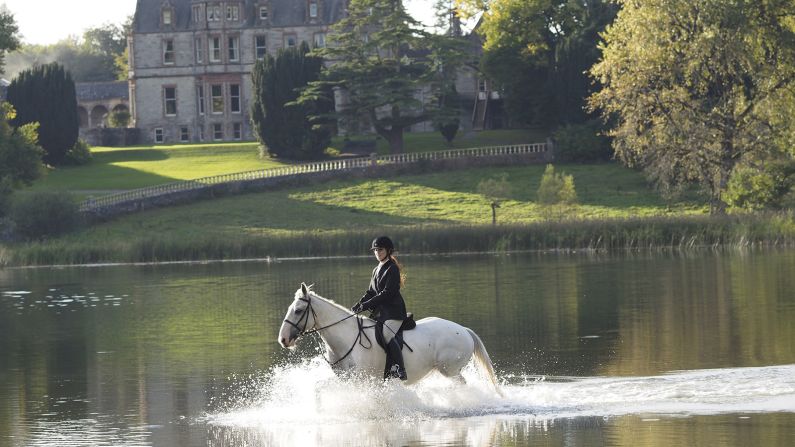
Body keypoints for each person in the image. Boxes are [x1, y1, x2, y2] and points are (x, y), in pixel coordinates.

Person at [351, 236, 409, 380]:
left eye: (380, 249)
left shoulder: (392, 268)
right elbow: (371, 292)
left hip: (394, 311)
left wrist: (367, 305)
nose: (377, 252)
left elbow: (387, 294)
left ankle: (400, 369)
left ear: (388, 251)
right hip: (382, 312)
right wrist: (359, 305)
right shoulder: (376, 269)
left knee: (386, 335)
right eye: (375, 250)